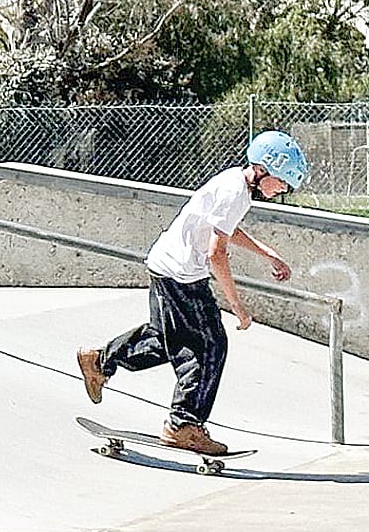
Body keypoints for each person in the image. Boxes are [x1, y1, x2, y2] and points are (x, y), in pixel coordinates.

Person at [76, 131, 310, 456]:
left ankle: (99, 361)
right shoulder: (235, 193)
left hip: (166, 266)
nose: (283, 190)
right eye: (282, 183)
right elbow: (217, 253)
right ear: (264, 170)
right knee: (211, 346)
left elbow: (223, 228)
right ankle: (184, 425)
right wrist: (236, 305)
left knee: (166, 340)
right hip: (183, 277)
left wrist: (265, 252)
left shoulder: (234, 184)